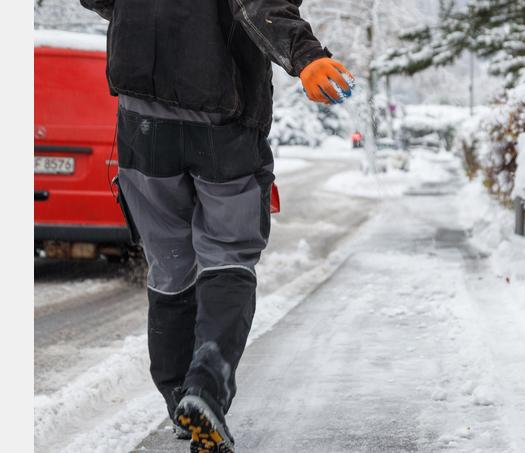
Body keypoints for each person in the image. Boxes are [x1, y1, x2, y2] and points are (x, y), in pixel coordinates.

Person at [79, 1, 354, 451]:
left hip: (141, 118)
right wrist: (306, 56)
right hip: (220, 116)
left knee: (170, 264)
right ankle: (204, 390)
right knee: (228, 253)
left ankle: (178, 398)